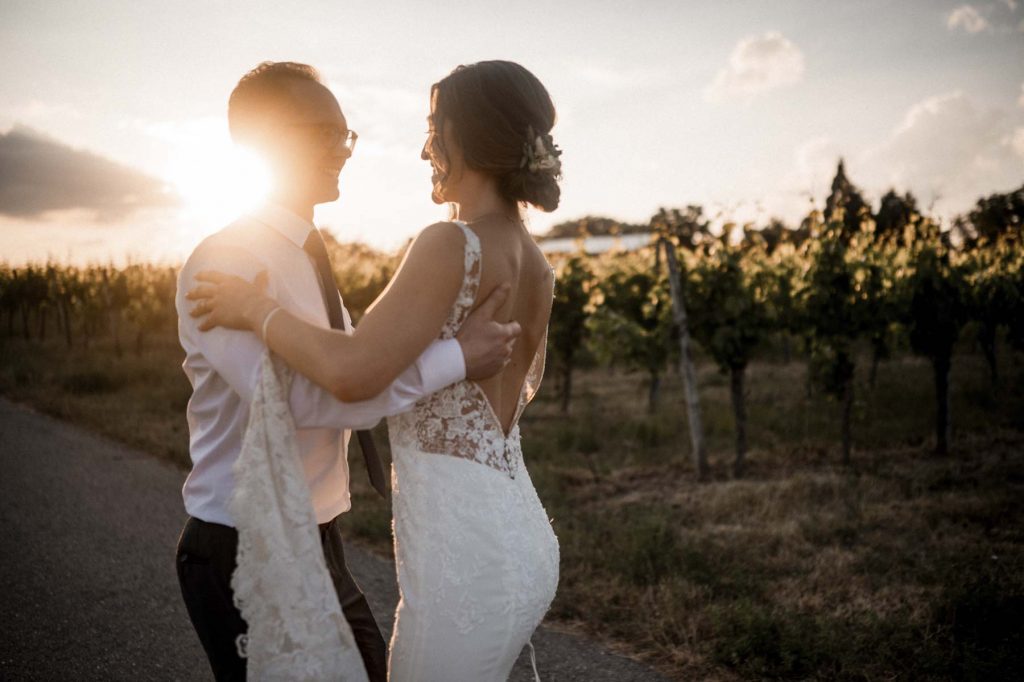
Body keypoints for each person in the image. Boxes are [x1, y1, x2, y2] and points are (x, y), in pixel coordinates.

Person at [190, 59, 562, 681]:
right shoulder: (536, 263)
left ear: (469, 136)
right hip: (520, 532)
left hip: (461, 553)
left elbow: (352, 372)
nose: (425, 150)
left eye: (434, 130)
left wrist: (256, 308)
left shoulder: (450, 244)